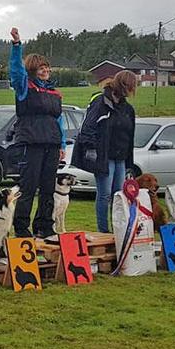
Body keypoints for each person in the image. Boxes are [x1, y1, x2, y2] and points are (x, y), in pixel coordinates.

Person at [7, 27, 66, 239]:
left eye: (47, 67)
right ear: (33, 70)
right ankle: (22, 229)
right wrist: (17, 46)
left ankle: (45, 226)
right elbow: (16, 71)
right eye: (41, 68)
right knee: (28, 188)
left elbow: (59, 120)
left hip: (51, 144)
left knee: (48, 188)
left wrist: (62, 145)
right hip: (30, 143)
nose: (45, 71)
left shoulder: (54, 92)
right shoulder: (24, 87)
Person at [71, 70, 137, 233]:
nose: (132, 90)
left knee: (118, 195)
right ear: (122, 86)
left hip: (120, 157)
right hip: (104, 156)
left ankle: (118, 228)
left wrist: (129, 162)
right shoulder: (101, 103)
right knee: (105, 194)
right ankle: (103, 230)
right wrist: (91, 149)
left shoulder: (128, 109)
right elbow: (88, 127)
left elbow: (130, 134)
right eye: (130, 86)